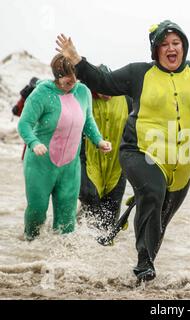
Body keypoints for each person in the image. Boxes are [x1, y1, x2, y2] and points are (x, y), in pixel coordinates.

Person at [55, 16, 190, 282]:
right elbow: (103, 82)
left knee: (161, 216)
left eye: (176, 42)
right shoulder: (139, 73)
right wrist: (77, 60)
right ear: (155, 50)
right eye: (164, 44)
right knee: (152, 190)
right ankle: (143, 262)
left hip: (183, 161)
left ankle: (145, 271)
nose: (171, 48)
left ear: (183, 46)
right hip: (139, 151)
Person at [17, 54, 112, 241]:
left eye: (75, 76)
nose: (72, 81)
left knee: (66, 220)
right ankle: (29, 249)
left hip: (70, 166)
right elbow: (24, 124)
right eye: (66, 76)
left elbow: (88, 121)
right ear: (56, 74)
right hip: (40, 164)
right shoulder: (42, 93)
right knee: (37, 211)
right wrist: (34, 143)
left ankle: (62, 262)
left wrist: (99, 141)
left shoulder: (83, 92)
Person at [79, 65, 133, 230]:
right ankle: (82, 238)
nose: (107, 92)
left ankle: (106, 250)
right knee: (90, 198)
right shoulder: (83, 97)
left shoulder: (127, 100)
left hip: (116, 163)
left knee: (111, 213)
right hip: (88, 159)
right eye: (102, 87)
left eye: (109, 87)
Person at [12, 77, 39, 160]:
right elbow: (18, 111)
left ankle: (26, 159)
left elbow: (18, 111)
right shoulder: (27, 94)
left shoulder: (28, 94)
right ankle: (26, 160)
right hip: (32, 123)